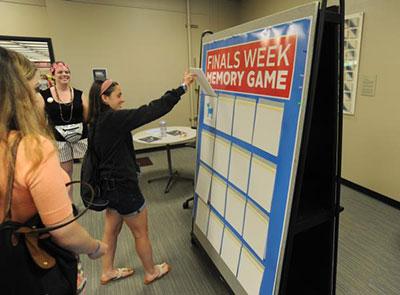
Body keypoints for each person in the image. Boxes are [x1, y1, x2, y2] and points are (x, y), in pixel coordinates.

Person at [0, 47, 108, 292]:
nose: (41, 98)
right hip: (31, 261)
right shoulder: (33, 149)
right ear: (20, 96)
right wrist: (95, 247)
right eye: (37, 89)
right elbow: (65, 233)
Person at [87, 72, 196, 285]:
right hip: (124, 188)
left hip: (108, 188)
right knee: (140, 233)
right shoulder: (114, 119)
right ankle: (151, 271)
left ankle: (107, 271)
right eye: (118, 95)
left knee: (111, 232)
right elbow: (151, 110)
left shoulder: (95, 122)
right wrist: (181, 88)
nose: (122, 99)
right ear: (105, 99)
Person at [39, 61, 89, 200]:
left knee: (90, 168)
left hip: (82, 137)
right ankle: (69, 203)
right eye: (60, 72)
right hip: (60, 140)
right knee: (66, 173)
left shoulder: (79, 94)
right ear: (53, 75)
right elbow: (40, 120)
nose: (64, 74)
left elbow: (86, 116)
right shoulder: (43, 95)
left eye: (67, 72)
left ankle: (94, 196)